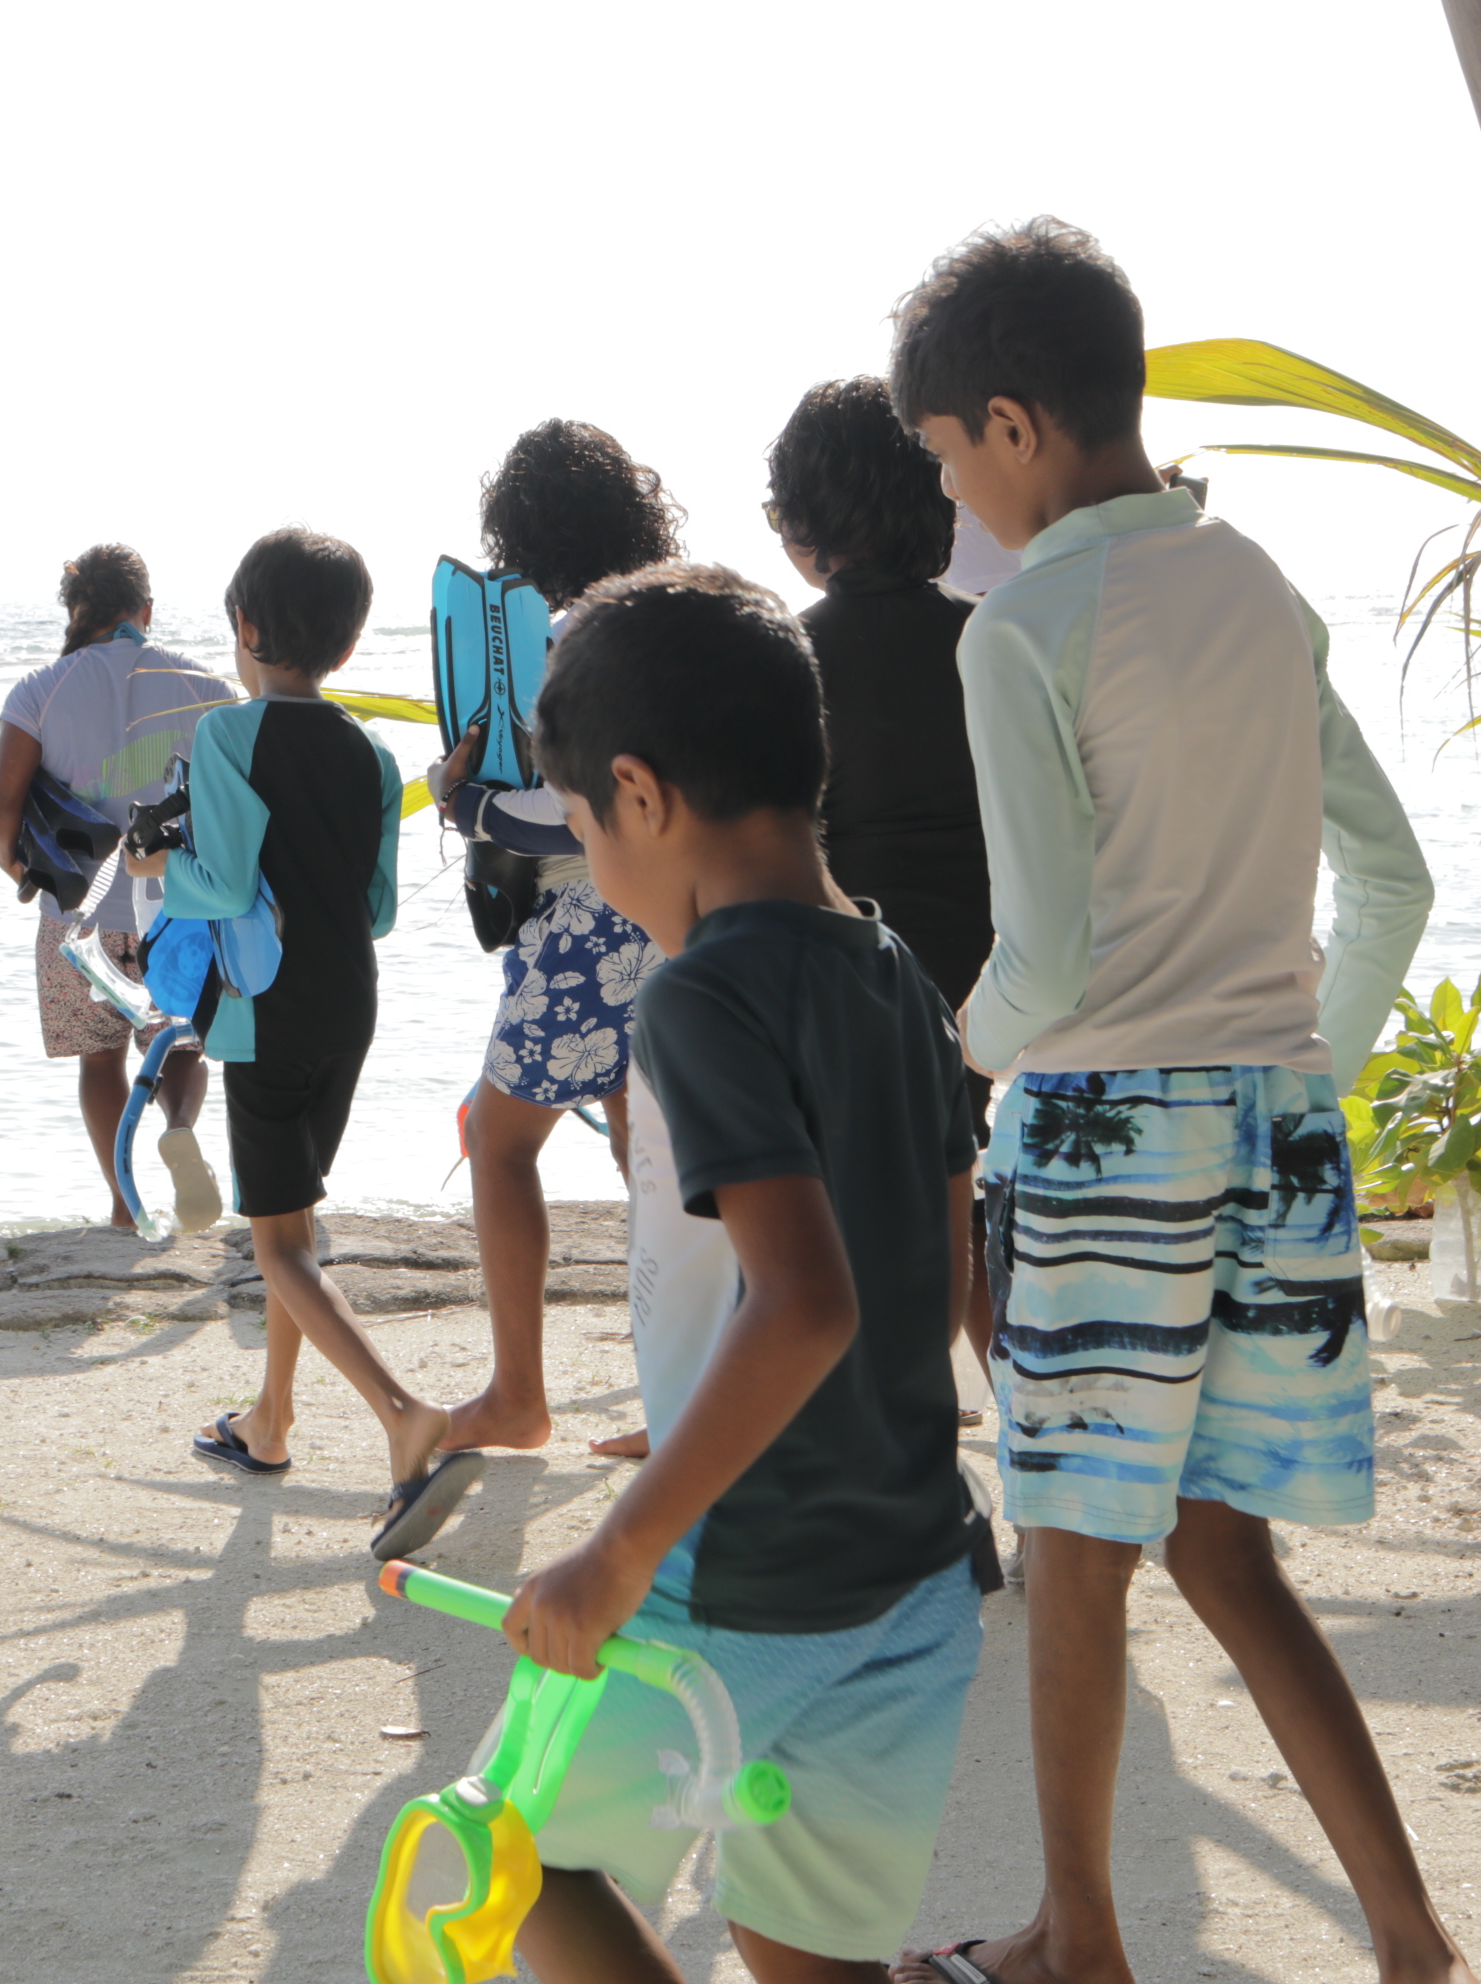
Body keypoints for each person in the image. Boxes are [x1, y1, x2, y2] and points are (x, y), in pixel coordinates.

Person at [883, 219, 1456, 1984]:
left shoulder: (1022, 624)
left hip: (1104, 1133)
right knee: (1226, 1547)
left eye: (946, 461)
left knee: (1072, 1548)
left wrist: (964, 1051)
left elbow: (1043, 961)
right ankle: (1412, 1934)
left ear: (1010, 421)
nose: (952, 504)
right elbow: (1397, 879)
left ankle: (1078, 1931)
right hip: (1272, 1127)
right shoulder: (1261, 587)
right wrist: (1299, 1068)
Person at [497, 564, 994, 1983]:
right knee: (810, 1960)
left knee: (520, 1861)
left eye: (588, 825)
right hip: (912, 1577)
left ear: (641, 797)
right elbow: (940, 1255)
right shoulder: (895, 968)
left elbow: (808, 1300)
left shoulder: (703, 991)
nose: (596, 859)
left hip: (738, 1580)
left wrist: (619, 1548)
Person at [131, 528, 480, 1559]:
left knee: (278, 1243)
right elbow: (373, 908)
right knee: (297, 1223)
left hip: (269, 1008)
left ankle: (401, 1412)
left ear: (245, 627)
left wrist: (156, 865)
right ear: (350, 639)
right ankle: (270, 1417)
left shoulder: (229, 736)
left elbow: (226, 883)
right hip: (351, 1003)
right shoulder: (370, 754)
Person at [437, 419, 682, 1457]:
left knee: (498, 1142)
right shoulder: (664, 622)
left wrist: (470, 806)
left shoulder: (561, 632)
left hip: (587, 914)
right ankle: (680, 1396)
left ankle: (518, 1396)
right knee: (651, 1150)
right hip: (672, 913)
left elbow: (577, 809)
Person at [767, 375, 996, 1381]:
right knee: (964, 1207)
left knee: (856, 1233)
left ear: (809, 518)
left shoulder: (792, 659)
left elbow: (780, 846)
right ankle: (1024, 1413)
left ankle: (895, 1425)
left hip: (856, 985)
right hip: (994, 981)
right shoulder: (990, 635)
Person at [0, 544, 234, 1231]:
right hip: (179, 908)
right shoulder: (206, 687)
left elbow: (2, 808)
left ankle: (126, 1206)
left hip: (79, 914)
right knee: (182, 1044)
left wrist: (23, 877)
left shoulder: (39, 690)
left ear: (75, 612)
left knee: (100, 1061)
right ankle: (178, 1126)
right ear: (145, 611)